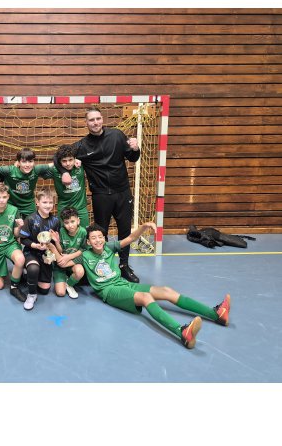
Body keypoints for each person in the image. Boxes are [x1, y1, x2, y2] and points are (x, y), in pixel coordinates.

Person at [72, 223, 231, 349]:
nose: (98, 240)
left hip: (123, 283)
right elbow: (64, 262)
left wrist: (144, 226)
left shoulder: (108, 247)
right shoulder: (84, 255)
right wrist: (67, 279)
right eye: (94, 238)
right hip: (109, 291)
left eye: (100, 237)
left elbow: (131, 238)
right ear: (88, 242)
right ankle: (181, 332)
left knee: (166, 291)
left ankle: (215, 314)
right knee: (146, 297)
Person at [54, 106, 141, 283]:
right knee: (101, 233)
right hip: (101, 195)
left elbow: (133, 158)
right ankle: (103, 263)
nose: (95, 122)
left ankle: (124, 265)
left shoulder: (116, 135)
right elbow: (58, 157)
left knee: (125, 230)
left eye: (98, 119)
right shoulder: (81, 146)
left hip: (123, 193)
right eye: (91, 120)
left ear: (102, 119)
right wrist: (63, 172)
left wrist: (135, 148)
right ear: (86, 123)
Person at [18, 187, 61, 310]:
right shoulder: (30, 219)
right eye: (44, 202)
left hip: (46, 255)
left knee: (44, 290)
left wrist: (55, 242)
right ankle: (31, 295)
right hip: (31, 252)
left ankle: (28, 276)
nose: (48, 205)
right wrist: (35, 245)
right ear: (37, 202)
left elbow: (56, 243)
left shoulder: (56, 221)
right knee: (33, 269)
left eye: (50, 202)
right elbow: (23, 239)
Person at [48, 207, 87, 299]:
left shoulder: (83, 232)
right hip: (61, 262)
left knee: (79, 271)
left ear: (78, 221)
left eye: (72, 221)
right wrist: (57, 242)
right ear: (63, 223)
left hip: (72, 262)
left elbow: (83, 249)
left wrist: (69, 257)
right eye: (66, 223)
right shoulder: (61, 231)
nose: (70, 225)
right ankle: (62, 276)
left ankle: (69, 284)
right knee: (60, 293)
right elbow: (61, 251)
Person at [46, 145, 89, 228]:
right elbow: (36, 170)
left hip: (81, 208)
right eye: (64, 161)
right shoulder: (55, 170)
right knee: (63, 234)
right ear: (59, 161)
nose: (68, 163)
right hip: (64, 208)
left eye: (70, 160)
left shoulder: (80, 166)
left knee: (85, 233)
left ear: (75, 158)